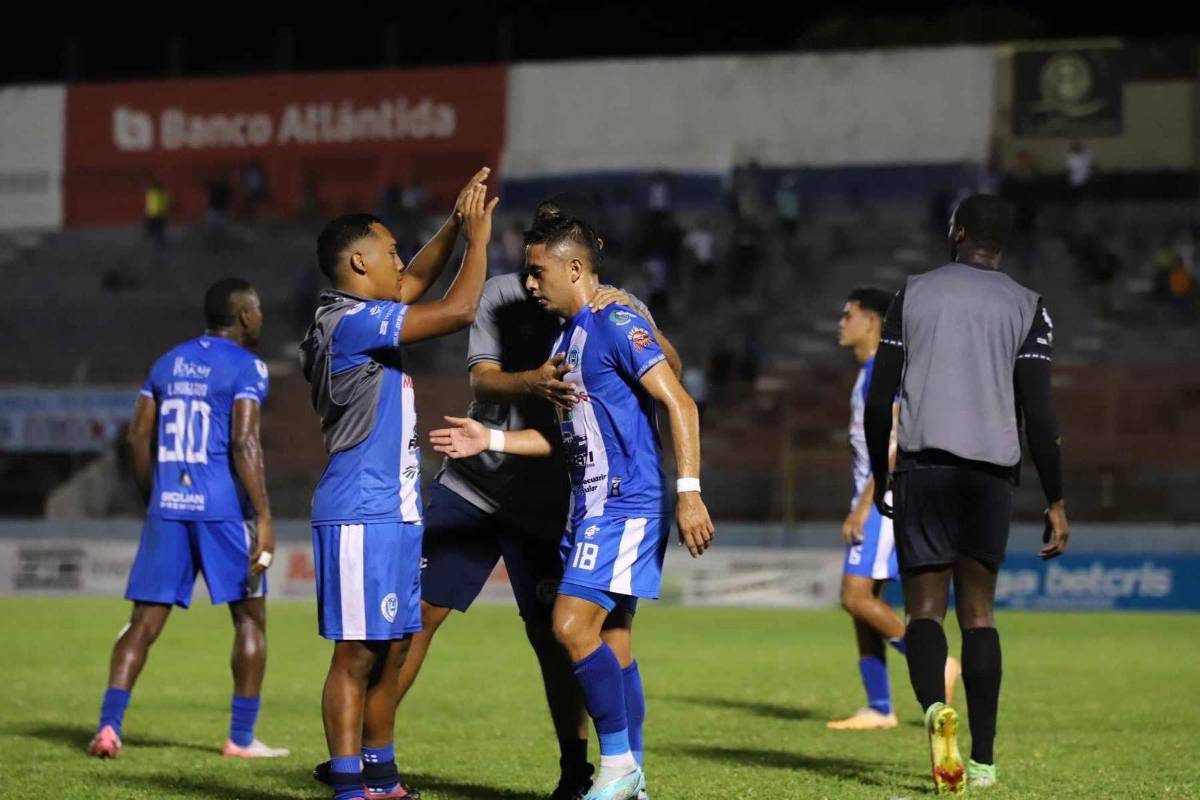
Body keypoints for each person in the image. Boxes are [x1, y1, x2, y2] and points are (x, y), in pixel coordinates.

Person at [368, 200, 679, 800]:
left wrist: (645, 322)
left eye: (551, 245)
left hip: (555, 497)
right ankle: (369, 758)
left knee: (565, 638)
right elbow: (481, 377)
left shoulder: (613, 305)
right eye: (534, 247)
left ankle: (588, 770)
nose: (536, 272)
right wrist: (530, 382)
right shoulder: (505, 295)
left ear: (577, 255)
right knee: (415, 619)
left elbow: (671, 375)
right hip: (477, 484)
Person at [299, 169, 497, 800]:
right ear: (359, 262)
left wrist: (453, 226)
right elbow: (459, 308)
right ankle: (350, 788)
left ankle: (380, 779)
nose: (399, 263)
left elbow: (412, 281)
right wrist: (479, 242)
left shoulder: (360, 311)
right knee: (356, 656)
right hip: (361, 508)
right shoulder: (349, 323)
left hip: (393, 508)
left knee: (391, 649)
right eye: (387, 252)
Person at [865, 194, 1070, 794]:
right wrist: (1054, 498)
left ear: (956, 232)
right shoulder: (1029, 306)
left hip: (924, 469)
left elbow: (881, 398)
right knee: (979, 616)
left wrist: (883, 475)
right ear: (1002, 243)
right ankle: (981, 760)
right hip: (990, 475)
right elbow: (1040, 411)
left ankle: (934, 710)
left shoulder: (913, 293)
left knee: (924, 611)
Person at [88, 278, 286, 761]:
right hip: (222, 510)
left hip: (169, 508)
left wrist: (152, 499)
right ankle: (240, 739)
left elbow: (137, 437)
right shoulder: (248, 367)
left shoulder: (167, 362)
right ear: (243, 315)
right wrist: (263, 516)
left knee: (142, 625)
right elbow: (244, 442)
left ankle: (109, 728)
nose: (260, 317)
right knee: (250, 622)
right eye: (257, 309)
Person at [827, 288, 959, 732]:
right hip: (877, 497)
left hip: (886, 500)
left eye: (848, 314)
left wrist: (864, 506)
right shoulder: (868, 372)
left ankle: (937, 664)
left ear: (872, 322)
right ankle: (879, 706)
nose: (840, 322)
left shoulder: (885, 372)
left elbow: (894, 444)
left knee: (855, 596)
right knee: (865, 603)